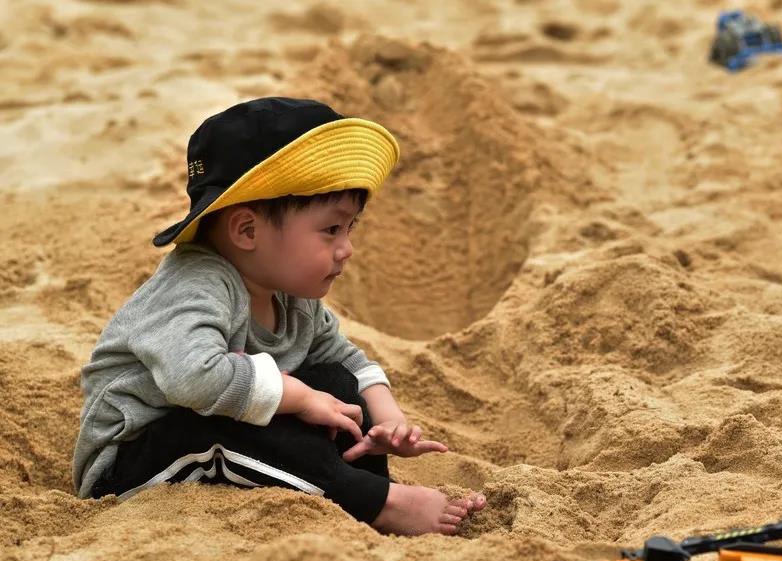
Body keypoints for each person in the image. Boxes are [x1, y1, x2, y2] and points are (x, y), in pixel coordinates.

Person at [72, 97, 485, 536]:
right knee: (231, 422)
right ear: (247, 230)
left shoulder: (292, 296)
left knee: (334, 381)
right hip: (135, 463)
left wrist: (389, 421)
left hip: (231, 438)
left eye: (350, 228)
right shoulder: (194, 285)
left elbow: (346, 360)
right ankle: (375, 502)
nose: (346, 249)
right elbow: (193, 378)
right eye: (331, 229)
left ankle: (365, 486)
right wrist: (300, 397)